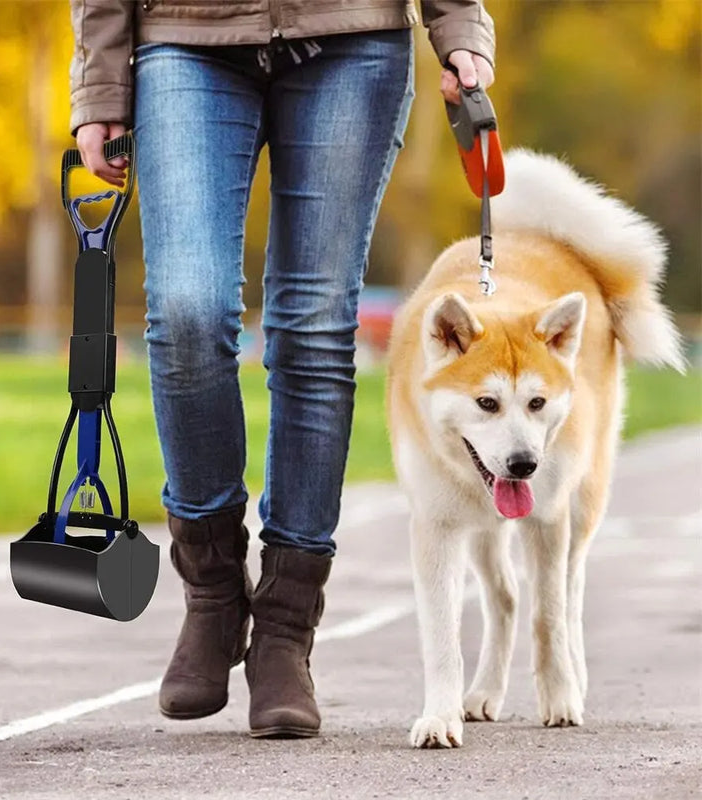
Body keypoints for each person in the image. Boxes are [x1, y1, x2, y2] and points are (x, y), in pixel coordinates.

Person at [69, 0, 495, 739]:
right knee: (187, 311)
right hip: (185, 39)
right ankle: (212, 591)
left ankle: (286, 630)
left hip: (351, 39)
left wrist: (460, 31)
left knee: (315, 328)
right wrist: (100, 86)